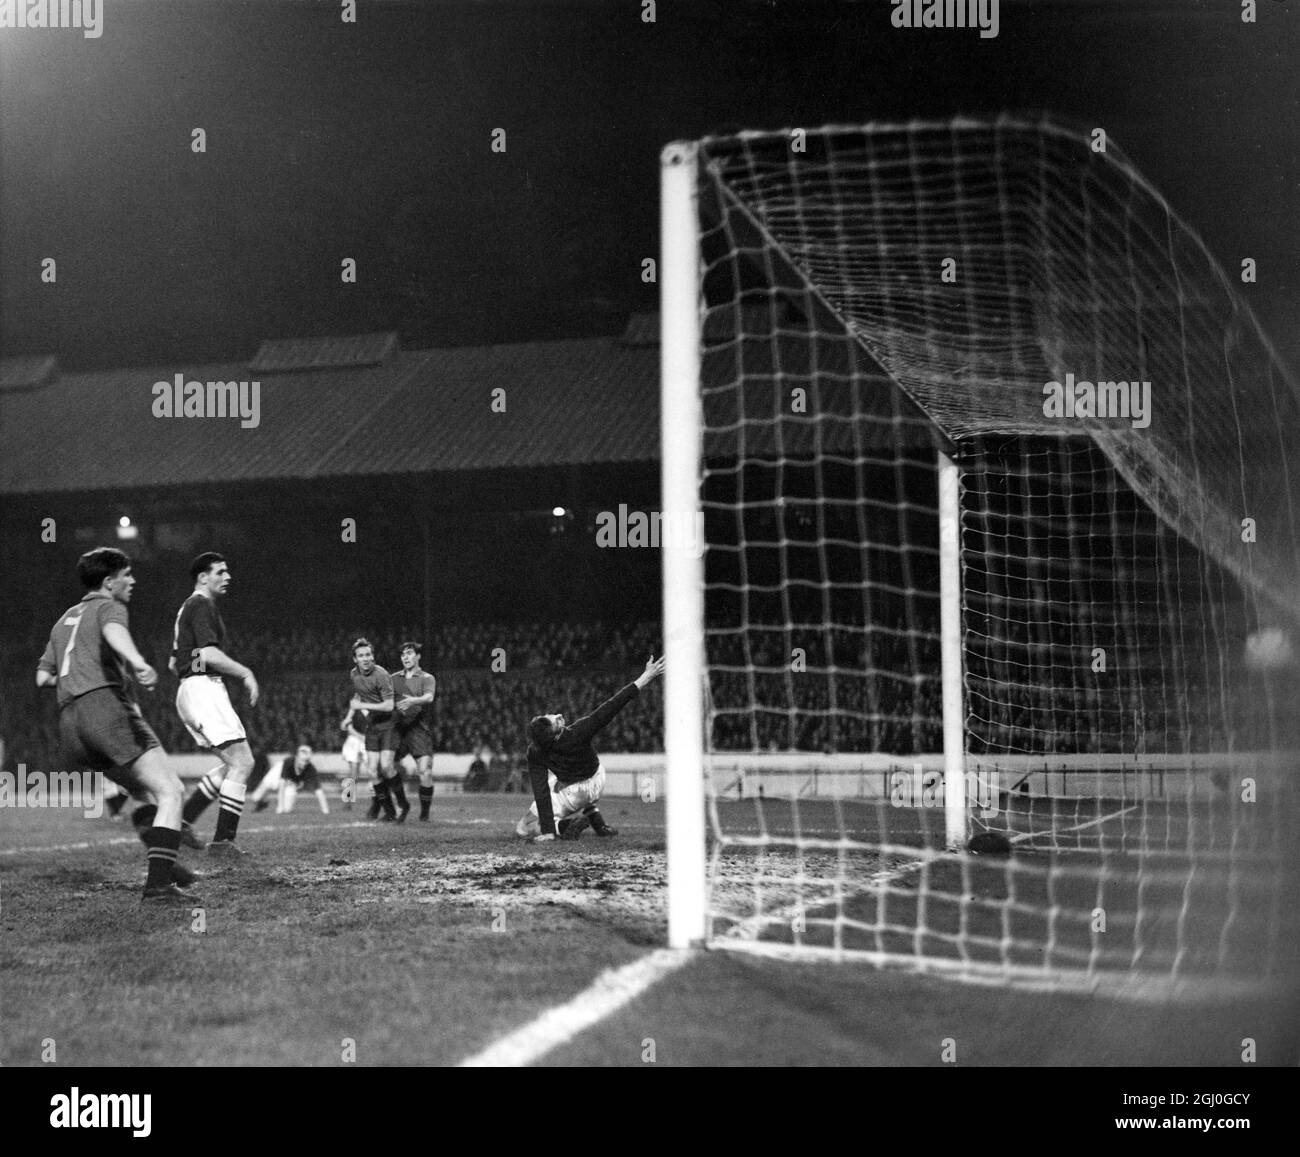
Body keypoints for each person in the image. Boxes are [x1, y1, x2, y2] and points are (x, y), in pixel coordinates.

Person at [35, 547, 199, 902]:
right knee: (171, 790)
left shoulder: (63, 620)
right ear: (109, 582)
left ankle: (165, 863)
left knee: (143, 793)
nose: (132, 580)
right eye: (127, 574)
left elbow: (42, 678)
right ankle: (158, 887)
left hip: (70, 724)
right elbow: (113, 632)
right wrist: (138, 662)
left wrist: (76, 675)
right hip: (104, 709)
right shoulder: (110, 607)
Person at [515, 655, 664, 842]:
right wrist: (647, 676)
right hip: (598, 778)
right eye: (555, 718)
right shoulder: (578, 732)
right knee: (558, 781)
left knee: (523, 828)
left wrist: (548, 831)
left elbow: (540, 790)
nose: (558, 714)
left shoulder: (535, 752)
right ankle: (597, 822)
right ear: (558, 731)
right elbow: (613, 705)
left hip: (575, 793)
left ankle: (564, 826)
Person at [172, 552, 261, 859]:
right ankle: (223, 842)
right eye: (220, 572)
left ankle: (182, 820)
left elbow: (175, 661)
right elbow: (207, 655)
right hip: (201, 688)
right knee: (243, 762)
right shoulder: (202, 604)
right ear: (202, 577)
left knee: (231, 764)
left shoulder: (188, 607)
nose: (228, 577)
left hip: (189, 689)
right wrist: (245, 673)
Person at [347, 638, 400, 820]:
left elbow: (386, 705)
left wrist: (362, 707)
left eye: (368, 654)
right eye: (361, 655)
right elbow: (358, 696)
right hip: (364, 731)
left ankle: (380, 806)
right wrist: (348, 716)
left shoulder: (381, 675)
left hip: (381, 727)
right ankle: (349, 800)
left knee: (382, 768)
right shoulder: (354, 675)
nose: (365, 658)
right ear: (355, 659)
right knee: (357, 771)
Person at [391, 641, 437, 820]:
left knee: (425, 772)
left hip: (419, 729)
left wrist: (412, 701)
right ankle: (401, 805)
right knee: (385, 767)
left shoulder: (427, 678)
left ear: (418, 656)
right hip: (397, 729)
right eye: (403, 655)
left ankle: (424, 813)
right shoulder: (393, 678)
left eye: (409, 653)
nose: (406, 657)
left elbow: (429, 697)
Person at [253, 743, 329, 815]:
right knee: (255, 797)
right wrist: (280, 806)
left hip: (290, 784)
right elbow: (282, 784)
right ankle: (263, 803)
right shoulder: (288, 763)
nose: (304, 763)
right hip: (276, 776)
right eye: (303, 760)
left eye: (307, 761)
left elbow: (318, 791)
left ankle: (279, 803)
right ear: (297, 757)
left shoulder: (310, 768)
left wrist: (325, 810)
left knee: (287, 809)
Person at [339, 709, 367, 810]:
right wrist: (362, 738)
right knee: (354, 775)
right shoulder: (354, 710)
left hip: (369, 741)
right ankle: (347, 802)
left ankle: (379, 801)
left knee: (374, 772)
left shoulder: (376, 706)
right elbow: (347, 728)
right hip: (355, 741)